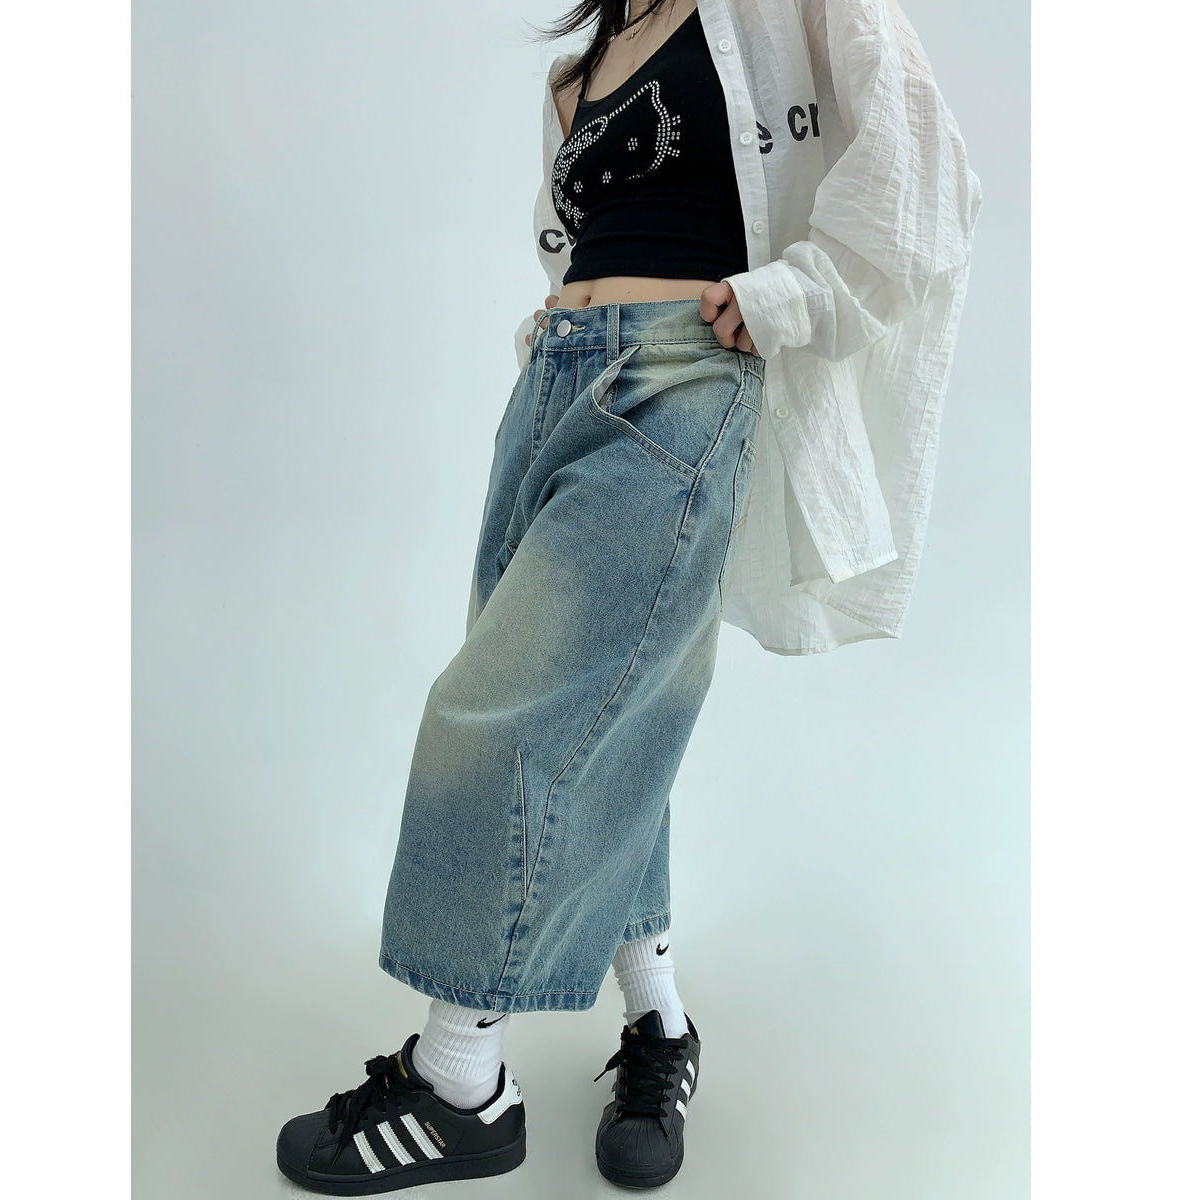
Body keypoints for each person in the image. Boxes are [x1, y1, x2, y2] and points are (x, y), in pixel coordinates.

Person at [276, 0, 981, 1193]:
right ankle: (660, 1023)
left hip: (679, 381)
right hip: (553, 388)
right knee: (607, 721)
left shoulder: (781, 10)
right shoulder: (578, 73)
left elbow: (925, 163)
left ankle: (461, 1084)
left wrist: (796, 293)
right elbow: (571, 244)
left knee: (500, 718)